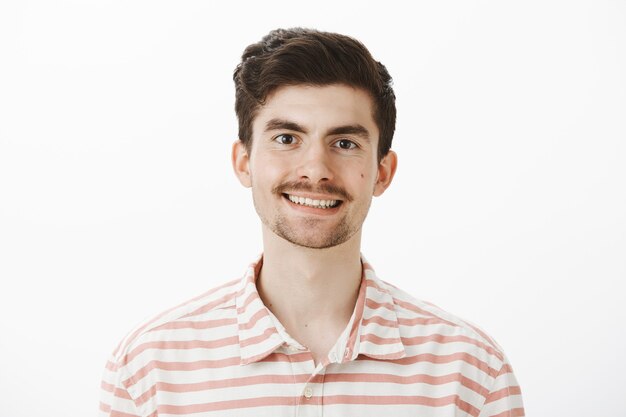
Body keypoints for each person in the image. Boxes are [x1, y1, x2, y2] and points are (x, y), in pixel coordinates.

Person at [99, 27, 524, 417]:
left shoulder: (471, 372)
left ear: (382, 172)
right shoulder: (148, 370)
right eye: (287, 139)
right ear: (244, 163)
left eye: (344, 142)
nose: (315, 169)